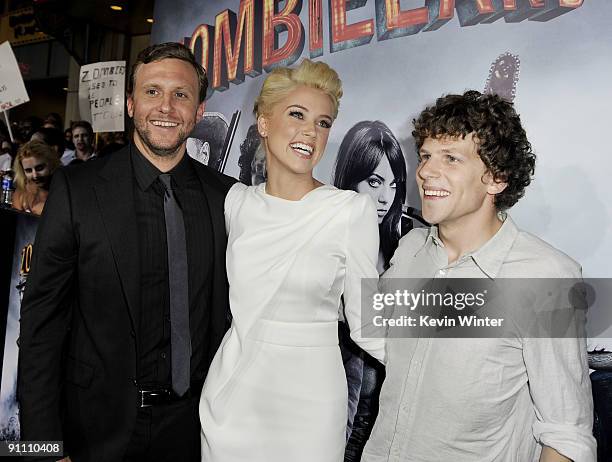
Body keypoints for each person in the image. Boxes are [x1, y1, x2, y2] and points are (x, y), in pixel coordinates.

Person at [18, 42, 235, 462]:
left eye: (181, 95)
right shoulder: (77, 190)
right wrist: (39, 447)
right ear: (131, 104)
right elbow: (40, 325)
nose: (166, 107)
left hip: (196, 432)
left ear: (199, 110)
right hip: (93, 431)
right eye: (153, 92)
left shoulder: (227, 198)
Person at [362, 90, 596, 462]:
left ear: (497, 178)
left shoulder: (546, 277)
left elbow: (566, 435)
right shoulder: (410, 252)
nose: (424, 171)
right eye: (425, 156)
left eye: (450, 158)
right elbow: (386, 343)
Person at [199, 59, 385, 462]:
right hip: (232, 402)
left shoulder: (349, 211)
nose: (310, 132)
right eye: (297, 114)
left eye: (323, 122)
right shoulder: (236, 203)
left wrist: (502, 315)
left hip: (311, 409)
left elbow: (370, 322)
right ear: (264, 123)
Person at [332, 120, 407, 459]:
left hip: (384, 417)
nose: (385, 198)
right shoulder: (327, 233)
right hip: (332, 404)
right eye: (374, 182)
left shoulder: (409, 242)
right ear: (351, 178)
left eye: (393, 184)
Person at [11, 140, 60, 215]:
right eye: (28, 170)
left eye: (40, 168)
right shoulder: (21, 192)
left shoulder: (65, 187)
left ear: (51, 164)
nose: (35, 175)